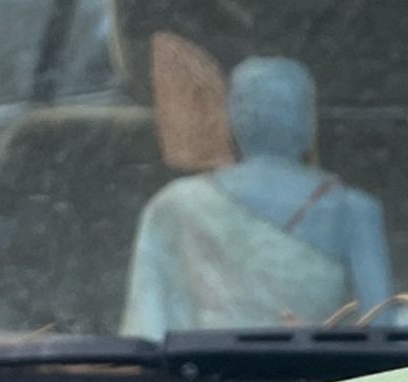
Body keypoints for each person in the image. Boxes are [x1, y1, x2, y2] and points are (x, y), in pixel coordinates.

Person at [121, 56, 391, 337]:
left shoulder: (176, 203)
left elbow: (147, 336)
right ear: (309, 123)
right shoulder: (354, 210)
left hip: (205, 377)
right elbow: (380, 336)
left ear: (232, 119)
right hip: (323, 379)